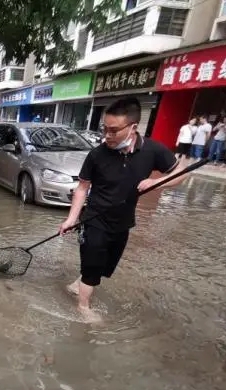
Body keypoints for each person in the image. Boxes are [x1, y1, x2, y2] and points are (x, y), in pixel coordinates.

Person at [58, 97, 188, 322]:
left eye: (113, 130)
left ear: (133, 127)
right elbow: (82, 188)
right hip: (94, 219)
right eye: (104, 129)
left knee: (104, 267)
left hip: (123, 221)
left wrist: (158, 183)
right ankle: (83, 308)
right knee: (92, 267)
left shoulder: (153, 150)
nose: (107, 135)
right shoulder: (97, 154)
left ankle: (77, 284)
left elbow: (182, 174)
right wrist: (71, 219)